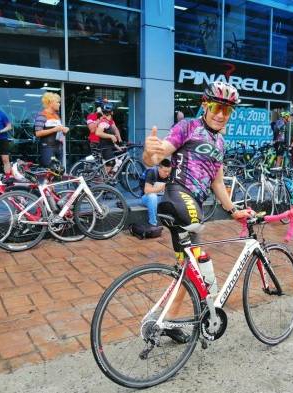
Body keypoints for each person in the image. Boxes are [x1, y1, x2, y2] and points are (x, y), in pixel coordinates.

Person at [142, 81, 252, 343]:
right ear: (205, 105)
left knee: (187, 269)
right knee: (200, 261)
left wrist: (233, 209)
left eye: (227, 111)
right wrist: (150, 153)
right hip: (179, 196)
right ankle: (210, 307)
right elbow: (157, 157)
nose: (220, 114)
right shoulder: (188, 127)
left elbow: (217, 182)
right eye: (216, 107)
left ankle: (165, 322)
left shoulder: (221, 142)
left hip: (194, 205)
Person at [34, 92, 69, 167]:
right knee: (50, 172)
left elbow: (58, 132)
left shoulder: (57, 116)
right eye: (57, 102)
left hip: (58, 147)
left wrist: (64, 131)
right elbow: (38, 133)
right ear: (50, 103)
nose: (59, 104)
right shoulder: (42, 115)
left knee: (59, 172)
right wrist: (54, 129)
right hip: (47, 148)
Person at [141, 159, 172, 227]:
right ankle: (153, 223)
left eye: (169, 172)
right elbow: (147, 190)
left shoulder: (170, 175)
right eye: (165, 171)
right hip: (147, 198)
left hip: (162, 198)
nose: (167, 174)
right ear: (159, 168)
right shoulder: (152, 172)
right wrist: (161, 188)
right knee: (152, 196)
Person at [95, 102, 122, 171]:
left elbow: (115, 129)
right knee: (111, 163)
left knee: (116, 162)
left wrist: (116, 145)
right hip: (105, 147)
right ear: (112, 112)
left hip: (108, 146)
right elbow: (98, 133)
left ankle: (107, 177)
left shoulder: (110, 122)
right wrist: (111, 136)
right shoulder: (104, 122)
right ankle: (102, 180)